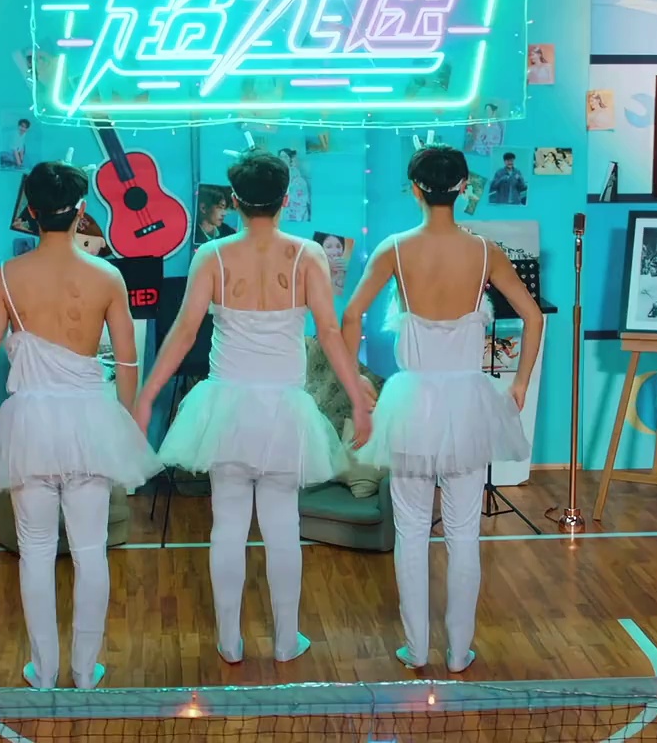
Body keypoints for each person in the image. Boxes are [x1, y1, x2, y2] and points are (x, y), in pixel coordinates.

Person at [134, 149, 372, 665]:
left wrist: (148, 395)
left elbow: (183, 332)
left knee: (227, 526)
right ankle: (286, 641)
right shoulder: (308, 255)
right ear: (286, 200)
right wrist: (358, 398)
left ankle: (229, 641)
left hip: (226, 411)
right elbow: (329, 333)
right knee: (283, 526)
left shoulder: (211, 256)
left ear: (236, 202)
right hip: (285, 411)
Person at [339, 143, 540, 674]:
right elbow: (533, 316)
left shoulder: (395, 249)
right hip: (468, 404)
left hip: (412, 404)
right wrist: (519, 383)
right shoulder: (485, 251)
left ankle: (416, 648)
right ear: (464, 187)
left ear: (415, 190)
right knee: (463, 533)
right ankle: (458, 650)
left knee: (410, 531)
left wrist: (357, 382)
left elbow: (351, 316)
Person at [0, 162, 159, 690]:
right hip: (89, 422)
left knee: (35, 551)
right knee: (90, 550)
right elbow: (127, 361)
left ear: (31, 212)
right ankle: (83, 670)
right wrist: (126, 419)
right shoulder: (107, 276)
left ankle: (44, 670)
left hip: (29, 424)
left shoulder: (5, 277)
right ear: (81, 211)